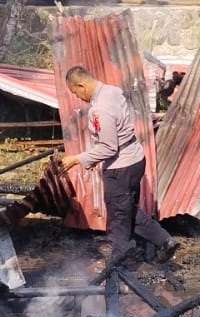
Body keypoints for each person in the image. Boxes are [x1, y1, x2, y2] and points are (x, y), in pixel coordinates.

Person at [57, 66, 178, 265]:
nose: (77, 96)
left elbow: (108, 148)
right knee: (127, 209)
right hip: (134, 160)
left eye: (75, 92)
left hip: (120, 168)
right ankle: (164, 241)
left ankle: (117, 267)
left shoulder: (99, 109)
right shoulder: (112, 91)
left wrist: (77, 159)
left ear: (81, 85)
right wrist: (94, 158)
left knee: (118, 221)